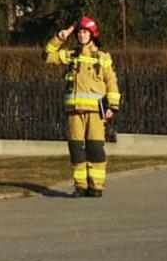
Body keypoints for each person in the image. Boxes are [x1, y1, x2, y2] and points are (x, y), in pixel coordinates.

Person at [46, 17, 121, 197]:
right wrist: (61, 36)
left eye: (84, 32)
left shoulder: (102, 58)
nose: (81, 35)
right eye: (79, 32)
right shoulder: (71, 55)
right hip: (74, 112)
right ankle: (80, 186)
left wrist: (113, 106)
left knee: (95, 148)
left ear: (92, 35)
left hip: (96, 112)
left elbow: (111, 82)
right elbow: (47, 56)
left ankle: (96, 187)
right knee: (76, 149)